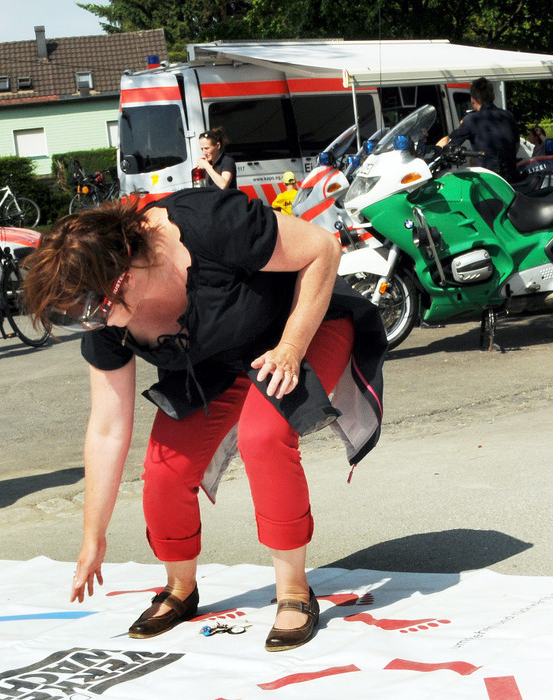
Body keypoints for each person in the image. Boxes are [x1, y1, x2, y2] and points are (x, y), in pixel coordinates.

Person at [23, 188, 386, 651]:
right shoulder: (107, 321)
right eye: (77, 319)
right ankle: (180, 588)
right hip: (216, 362)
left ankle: (294, 590)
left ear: (124, 274)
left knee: (263, 434)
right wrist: (93, 537)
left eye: (93, 312)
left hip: (300, 325)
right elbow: (108, 429)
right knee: (164, 469)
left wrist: (292, 347)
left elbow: (322, 248)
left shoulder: (208, 223)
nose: (94, 325)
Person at [437, 77, 519, 180]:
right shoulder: (508, 116)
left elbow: (449, 141)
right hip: (512, 178)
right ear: (493, 96)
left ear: (473, 99)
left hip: (489, 181)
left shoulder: (472, 119)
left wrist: (433, 152)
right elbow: (516, 144)